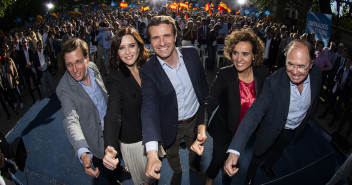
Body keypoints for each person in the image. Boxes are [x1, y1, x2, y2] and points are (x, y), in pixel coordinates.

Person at [224, 39, 322, 185]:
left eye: (301, 66)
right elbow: (255, 112)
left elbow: (314, 101)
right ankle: (249, 178)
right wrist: (235, 150)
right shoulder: (274, 81)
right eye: (290, 64)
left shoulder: (317, 75)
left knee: (278, 151)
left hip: (293, 130)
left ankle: (268, 166)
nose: (295, 72)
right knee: (258, 154)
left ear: (312, 64)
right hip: (272, 127)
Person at [140, 16, 209, 185]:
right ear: (150, 41)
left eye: (167, 36)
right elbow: (149, 108)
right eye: (156, 37)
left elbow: (203, 84)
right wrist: (151, 153)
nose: (162, 42)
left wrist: (203, 115)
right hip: (170, 125)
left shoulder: (192, 54)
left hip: (194, 120)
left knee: (195, 152)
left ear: (176, 36)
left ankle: (194, 168)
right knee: (171, 154)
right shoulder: (148, 70)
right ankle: (177, 172)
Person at [198, 29, 270, 185]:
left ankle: (227, 181)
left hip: (244, 134)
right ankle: (210, 178)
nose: (239, 59)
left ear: (254, 56)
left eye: (245, 54)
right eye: (235, 53)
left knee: (232, 163)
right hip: (223, 130)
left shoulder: (263, 73)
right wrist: (201, 127)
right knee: (217, 160)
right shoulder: (225, 75)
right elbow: (209, 104)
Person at [56, 38, 125, 185]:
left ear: (87, 58)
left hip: (113, 128)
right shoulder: (63, 88)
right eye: (69, 64)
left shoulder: (93, 68)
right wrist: (82, 152)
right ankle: (114, 179)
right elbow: (70, 119)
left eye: (79, 62)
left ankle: (120, 168)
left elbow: (104, 93)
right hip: (96, 141)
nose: (75, 70)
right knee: (108, 171)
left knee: (118, 155)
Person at [102, 27, 155, 185]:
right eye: (121, 48)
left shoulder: (146, 68)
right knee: (145, 181)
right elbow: (112, 113)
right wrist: (110, 147)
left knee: (154, 177)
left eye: (131, 46)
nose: (127, 52)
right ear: (116, 52)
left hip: (152, 134)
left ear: (139, 47)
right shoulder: (115, 78)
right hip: (134, 142)